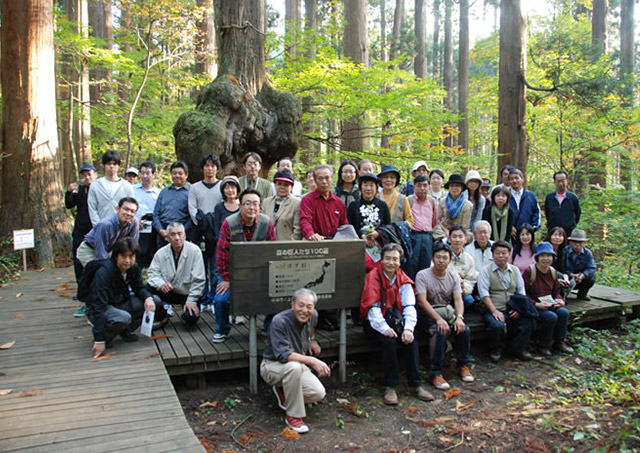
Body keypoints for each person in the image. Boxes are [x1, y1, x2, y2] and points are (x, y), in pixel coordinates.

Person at [360, 243, 434, 405]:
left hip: (396, 320)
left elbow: (409, 306)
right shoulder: (373, 276)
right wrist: (384, 328)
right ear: (381, 259)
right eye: (387, 258)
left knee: (410, 339)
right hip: (375, 323)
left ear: (400, 261)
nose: (390, 263)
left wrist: (408, 329)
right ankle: (391, 384)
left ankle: (415, 384)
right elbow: (373, 309)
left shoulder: (403, 279)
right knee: (389, 342)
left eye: (395, 259)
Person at [260, 288, 330, 434]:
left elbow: (312, 328)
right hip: (272, 365)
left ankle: (284, 391)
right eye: (301, 305)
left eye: (309, 307)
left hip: (297, 364)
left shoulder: (313, 315)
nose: (304, 310)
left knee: (318, 393)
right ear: (293, 305)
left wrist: (312, 340)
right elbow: (284, 355)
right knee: (294, 367)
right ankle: (293, 417)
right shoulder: (279, 321)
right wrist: (312, 361)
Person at [214, 189, 277, 342]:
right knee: (220, 299)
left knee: (279, 293)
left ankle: (268, 327)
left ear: (260, 206)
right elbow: (221, 254)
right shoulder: (229, 223)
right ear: (240, 206)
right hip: (233, 275)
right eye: (247, 203)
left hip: (259, 274)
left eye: (255, 204)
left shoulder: (266, 222)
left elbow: (273, 251)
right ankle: (223, 329)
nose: (251, 207)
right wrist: (226, 279)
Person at [80, 237, 157, 358]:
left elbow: (139, 288)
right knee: (123, 317)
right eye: (124, 257)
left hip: (120, 303)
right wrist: (99, 339)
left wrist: (148, 298)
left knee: (154, 301)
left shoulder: (133, 268)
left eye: (131, 257)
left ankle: (124, 331)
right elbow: (98, 305)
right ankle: (106, 337)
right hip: (99, 308)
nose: (127, 261)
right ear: (116, 256)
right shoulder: (104, 272)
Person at [415, 241, 474, 390]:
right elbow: (422, 301)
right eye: (438, 257)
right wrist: (438, 319)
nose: (441, 261)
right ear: (433, 258)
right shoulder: (422, 275)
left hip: (447, 313)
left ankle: (464, 365)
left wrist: (459, 317)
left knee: (464, 330)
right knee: (440, 331)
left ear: (449, 260)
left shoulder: (453, 276)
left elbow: (458, 299)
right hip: (428, 315)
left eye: (444, 258)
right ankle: (435, 373)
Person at [478, 241, 535, 362]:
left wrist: (519, 309)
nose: (500, 256)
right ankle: (496, 350)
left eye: (504, 253)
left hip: (512, 307)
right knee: (496, 325)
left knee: (528, 321)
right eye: (497, 253)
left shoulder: (515, 270)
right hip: (493, 308)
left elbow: (521, 291)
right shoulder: (485, 271)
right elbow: (484, 294)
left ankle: (518, 349)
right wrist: (494, 311)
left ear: (509, 254)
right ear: (492, 255)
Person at [146, 222, 206, 329]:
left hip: (187, 293)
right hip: (168, 291)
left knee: (190, 318)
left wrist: (192, 300)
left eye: (180, 234)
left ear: (185, 235)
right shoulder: (161, 253)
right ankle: (163, 315)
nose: (177, 238)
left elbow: (199, 280)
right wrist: (161, 284)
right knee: (148, 290)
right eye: (173, 235)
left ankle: (190, 309)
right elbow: (152, 274)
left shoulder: (195, 251)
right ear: (167, 237)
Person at [522, 242, 574, 356]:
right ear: (537, 257)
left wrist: (559, 300)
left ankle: (559, 342)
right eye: (543, 256)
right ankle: (543, 345)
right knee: (551, 317)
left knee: (563, 313)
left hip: (549, 303)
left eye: (549, 256)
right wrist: (536, 304)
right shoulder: (530, 272)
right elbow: (522, 294)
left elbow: (556, 292)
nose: (546, 259)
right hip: (534, 306)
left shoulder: (553, 272)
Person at [65, 163, 96, 314]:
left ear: (95, 174)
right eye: (84, 174)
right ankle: (85, 301)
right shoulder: (80, 190)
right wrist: (69, 192)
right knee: (79, 266)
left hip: (97, 232)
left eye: (89, 173)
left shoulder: (100, 188)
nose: (87, 177)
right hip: (80, 232)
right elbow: (69, 205)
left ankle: (98, 300)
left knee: (97, 266)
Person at [76, 197, 140, 267]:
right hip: (89, 250)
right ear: (118, 208)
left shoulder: (134, 223)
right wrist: (105, 268)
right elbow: (100, 251)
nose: (128, 213)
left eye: (132, 211)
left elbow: (132, 246)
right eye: (126, 209)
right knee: (99, 272)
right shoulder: (105, 224)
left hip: (108, 250)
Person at [299, 164, 348, 241]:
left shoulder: (338, 202)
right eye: (320, 178)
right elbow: (305, 221)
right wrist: (311, 234)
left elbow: (344, 225)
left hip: (335, 243)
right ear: (315, 180)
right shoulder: (307, 200)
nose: (324, 182)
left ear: (331, 179)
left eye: (327, 178)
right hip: (315, 243)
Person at [88, 151, 134, 225]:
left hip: (122, 228)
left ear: (119, 165)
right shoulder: (96, 185)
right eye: (109, 164)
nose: (111, 166)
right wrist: (98, 227)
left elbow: (131, 208)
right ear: (104, 165)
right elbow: (92, 208)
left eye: (114, 164)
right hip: (102, 227)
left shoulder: (126, 186)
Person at [153, 161, 192, 248]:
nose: (177, 176)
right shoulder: (164, 191)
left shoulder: (191, 192)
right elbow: (156, 213)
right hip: (163, 232)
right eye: (174, 173)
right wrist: (161, 230)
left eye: (180, 173)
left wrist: (180, 233)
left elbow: (192, 217)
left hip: (182, 234)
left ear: (186, 175)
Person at [408, 174, 438, 275]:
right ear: (414, 187)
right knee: (411, 263)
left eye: (425, 185)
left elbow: (434, 221)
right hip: (413, 236)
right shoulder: (409, 200)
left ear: (429, 187)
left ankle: (422, 289)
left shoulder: (432, 201)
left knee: (425, 265)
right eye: (419, 185)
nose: (422, 188)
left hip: (428, 237)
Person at [133, 161, 161, 268]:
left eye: (148, 173)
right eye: (142, 173)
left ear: (153, 175)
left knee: (152, 258)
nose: (145, 176)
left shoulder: (159, 193)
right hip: (135, 228)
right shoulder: (132, 190)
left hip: (152, 230)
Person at [262, 170, 302, 241]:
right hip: (267, 246)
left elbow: (297, 230)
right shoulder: (266, 202)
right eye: (279, 184)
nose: (282, 187)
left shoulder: (297, 203)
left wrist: (290, 247)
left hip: (286, 246)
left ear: (291, 187)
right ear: (275, 185)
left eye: (286, 185)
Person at [188, 154, 222, 233]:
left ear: (217, 169)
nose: (210, 169)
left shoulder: (223, 186)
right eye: (207, 166)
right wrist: (200, 223)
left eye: (213, 166)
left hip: (219, 226)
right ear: (202, 168)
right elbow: (192, 208)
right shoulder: (194, 187)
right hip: (200, 226)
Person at [447, 226, 477, 310]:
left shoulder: (469, 259)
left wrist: (463, 288)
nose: (457, 240)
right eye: (454, 237)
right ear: (449, 239)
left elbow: (471, 280)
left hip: (461, 291)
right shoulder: (442, 255)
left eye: (460, 237)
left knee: (469, 300)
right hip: (444, 291)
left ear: (465, 240)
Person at [544, 170, 581, 237]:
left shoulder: (573, 198)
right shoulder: (550, 198)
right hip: (553, 232)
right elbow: (547, 213)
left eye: (563, 181)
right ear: (554, 182)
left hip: (568, 233)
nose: (561, 184)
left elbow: (577, 214)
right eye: (558, 181)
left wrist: (571, 225)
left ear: (567, 181)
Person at [438, 174, 472, 239]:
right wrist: (446, 231)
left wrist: (454, 235)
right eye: (452, 185)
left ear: (462, 188)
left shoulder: (467, 205)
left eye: (457, 186)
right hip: (443, 231)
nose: (454, 188)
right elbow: (438, 220)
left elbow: (465, 226)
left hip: (460, 233)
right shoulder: (442, 201)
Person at [565, 229, 596, 300]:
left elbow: (592, 268)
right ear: (570, 242)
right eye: (575, 242)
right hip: (567, 278)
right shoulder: (564, 252)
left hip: (581, 279)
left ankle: (582, 294)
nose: (577, 244)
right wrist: (571, 274)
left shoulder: (587, 253)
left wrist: (583, 275)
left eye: (580, 242)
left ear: (584, 243)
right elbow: (561, 268)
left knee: (591, 278)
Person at [508, 168, 541, 235]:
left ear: (522, 179)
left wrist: (530, 229)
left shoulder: (531, 196)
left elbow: (536, 213)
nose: (514, 181)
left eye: (517, 178)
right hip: (509, 236)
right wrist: (508, 228)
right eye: (511, 179)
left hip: (527, 236)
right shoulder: (505, 195)